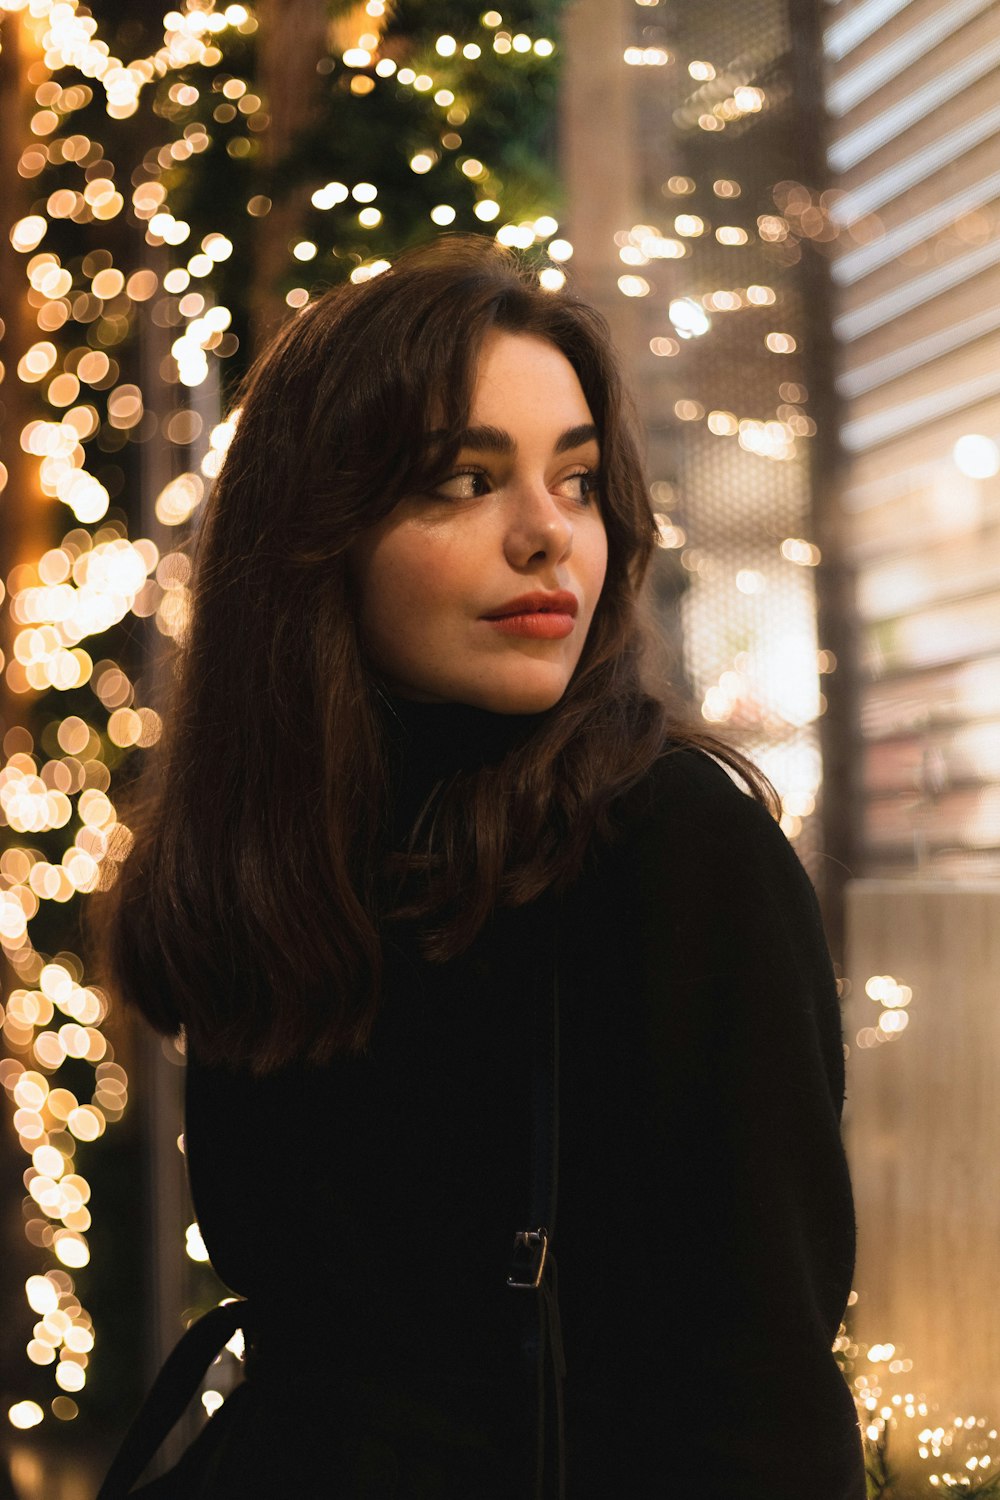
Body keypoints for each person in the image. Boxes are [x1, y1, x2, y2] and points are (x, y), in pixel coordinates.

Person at [90, 234, 866, 1498]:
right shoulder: (270, 850)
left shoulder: (670, 843)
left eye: (576, 481)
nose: (547, 536)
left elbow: (763, 1405)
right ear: (316, 534)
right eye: (464, 480)